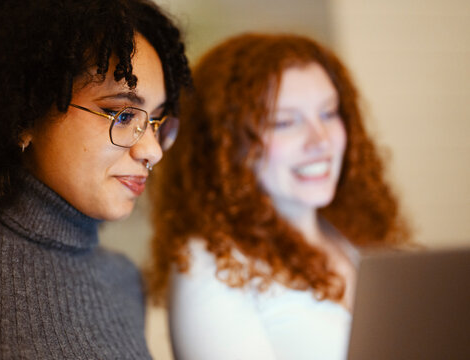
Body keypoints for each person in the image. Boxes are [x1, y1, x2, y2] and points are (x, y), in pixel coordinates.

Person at [0, 0, 190, 358]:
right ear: (24, 112)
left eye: (157, 122)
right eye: (121, 113)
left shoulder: (124, 280)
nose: (153, 150)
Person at [147, 33, 410, 360]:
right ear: (227, 145)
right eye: (285, 122)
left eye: (329, 113)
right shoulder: (209, 265)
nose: (321, 140)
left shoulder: (351, 237)